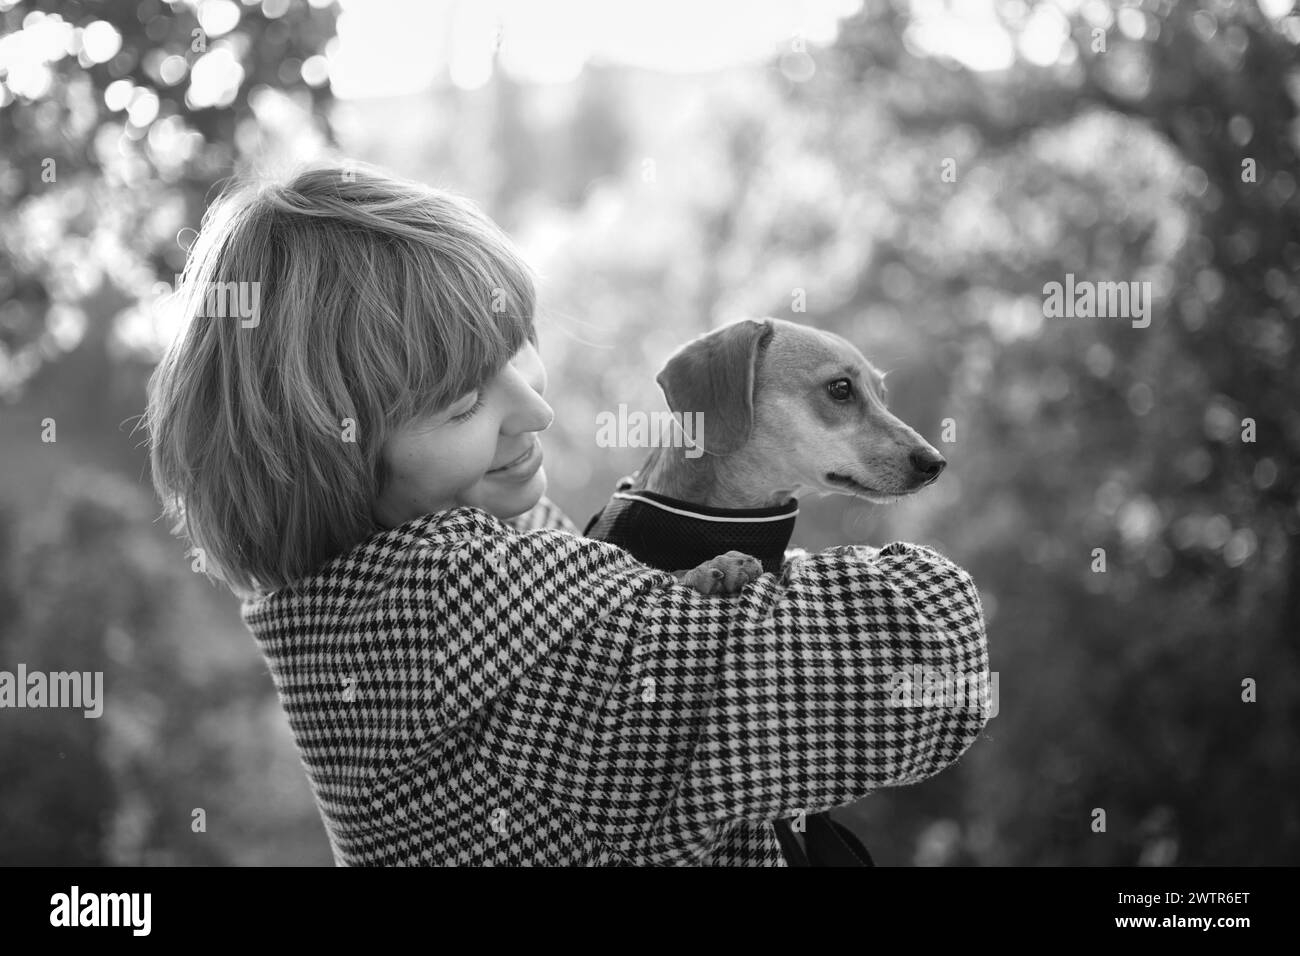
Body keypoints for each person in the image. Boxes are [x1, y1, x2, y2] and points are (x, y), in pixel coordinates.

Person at [143, 161, 991, 865]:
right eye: (460, 402)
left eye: (518, 347)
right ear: (328, 455)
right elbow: (931, 665)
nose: (535, 412)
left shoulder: (358, 602)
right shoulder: (454, 601)